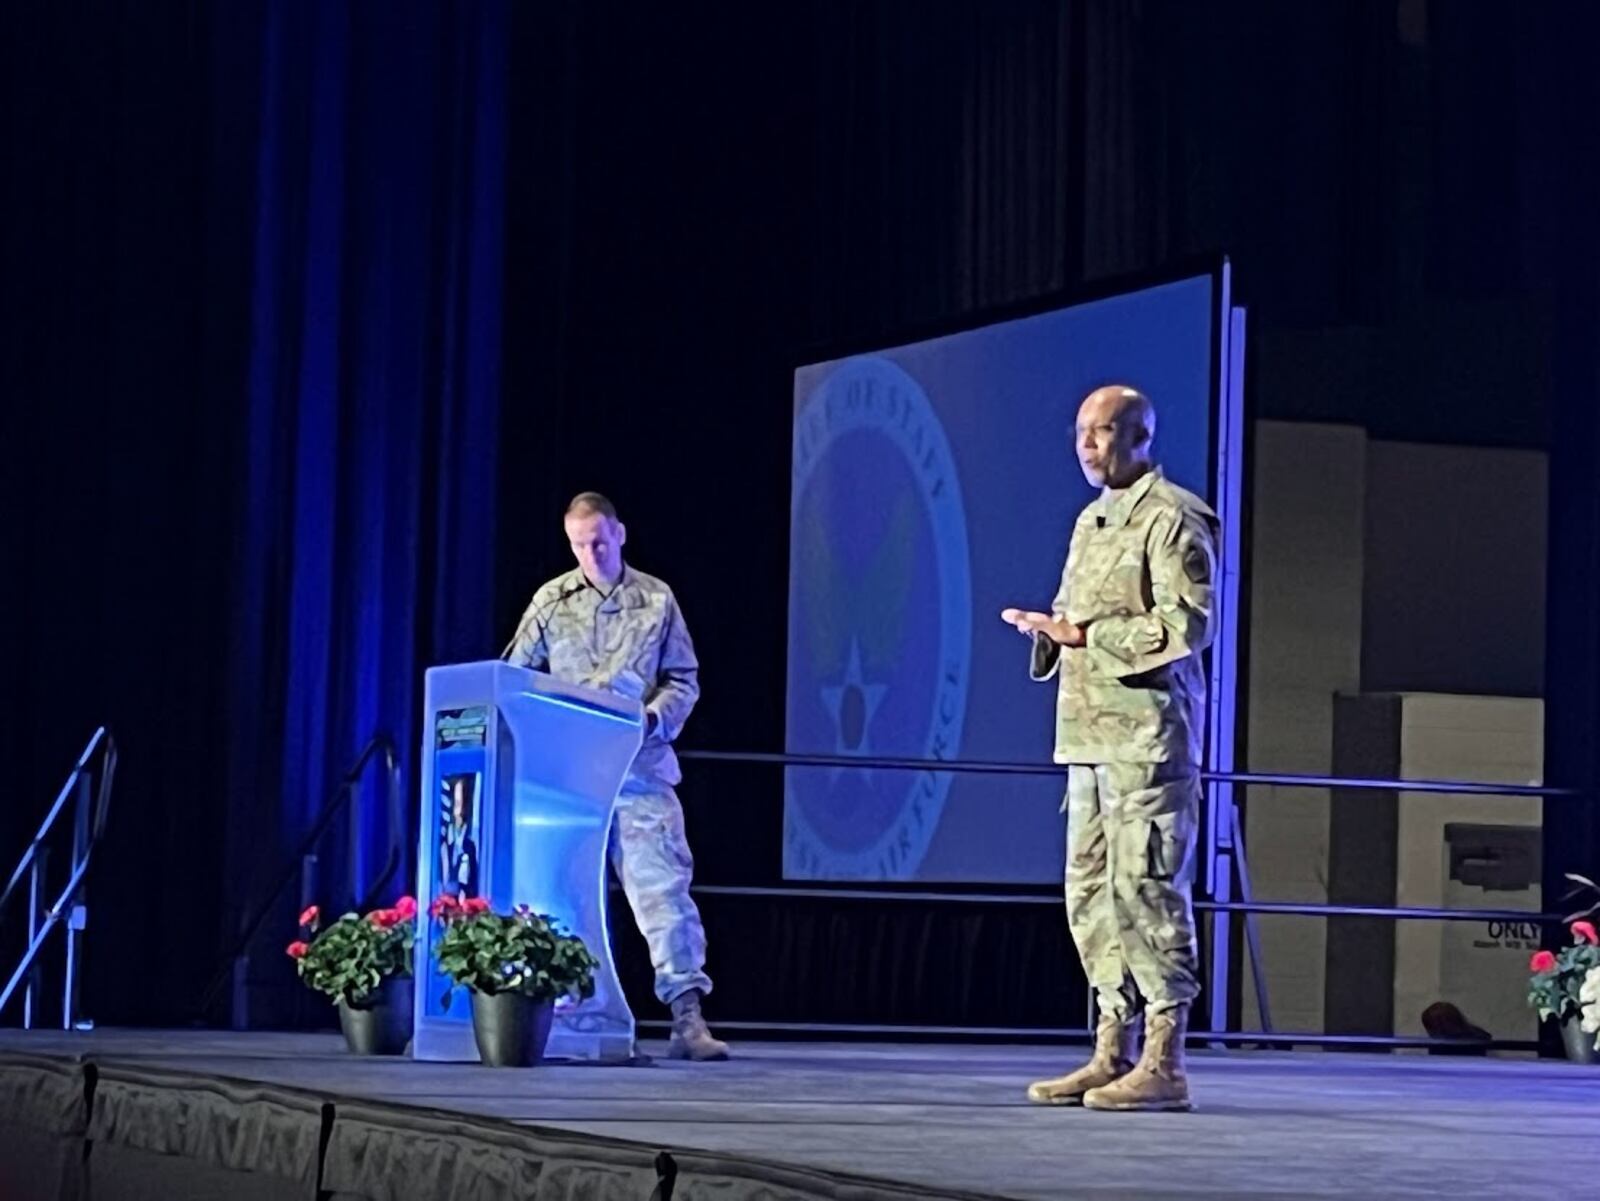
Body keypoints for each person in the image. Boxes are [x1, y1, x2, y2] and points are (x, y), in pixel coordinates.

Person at [1001, 385, 1218, 1111]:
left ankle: (1165, 1059)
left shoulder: (1174, 517)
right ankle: (1111, 1045)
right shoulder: (1092, 521)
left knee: (1147, 889)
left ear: (1140, 435)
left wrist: (1089, 637)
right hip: (1088, 739)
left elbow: (1188, 624)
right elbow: (1074, 620)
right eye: (1081, 433)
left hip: (1147, 742)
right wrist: (1051, 633)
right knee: (1090, 895)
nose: (1087, 446)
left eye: (1102, 432)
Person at [507, 491, 729, 1061]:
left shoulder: (656, 599)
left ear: (621, 534)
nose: (591, 552)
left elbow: (683, 678)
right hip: (570, 778)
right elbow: (512, 679)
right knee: (561, 898)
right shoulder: (551, 602)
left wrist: (654, 719)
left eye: (600, 540)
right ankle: (567, 1017)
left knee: (663, 893)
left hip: (638, 770)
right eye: (580, 543)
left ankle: (686, 1019)